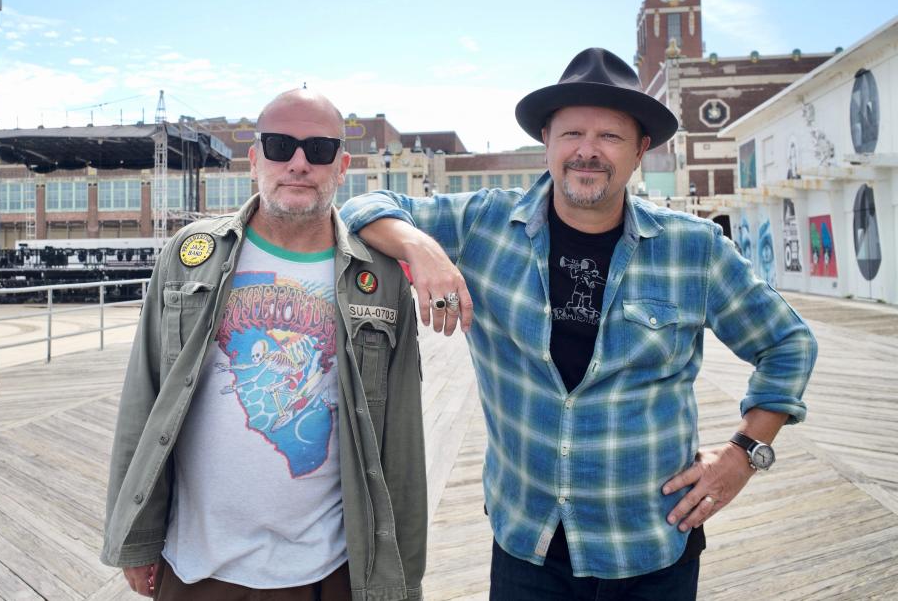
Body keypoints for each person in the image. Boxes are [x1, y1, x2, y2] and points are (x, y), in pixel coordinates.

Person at [340, 48, 817, 599]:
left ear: (640, 150)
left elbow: (787, 343)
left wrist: (743, 454)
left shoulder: (696, 250)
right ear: (547, 141)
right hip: (527, 549)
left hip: (651, 548)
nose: (586, 152)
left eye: (610, 137)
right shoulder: (484, 225)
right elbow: (362, 207)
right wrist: (421, 247)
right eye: (571, 134)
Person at [102, 89, 426, 601]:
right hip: (198, 567)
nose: (299, 163)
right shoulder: (189, 257)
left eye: (318, 149)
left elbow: (401, 440)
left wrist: (403, 578)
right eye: (280, 145)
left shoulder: (380, 278)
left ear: (342, 166)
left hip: (328, 571)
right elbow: (143, 398)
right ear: (254, 159)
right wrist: (133, 537)